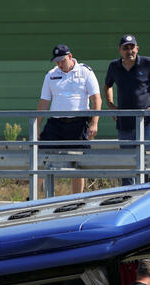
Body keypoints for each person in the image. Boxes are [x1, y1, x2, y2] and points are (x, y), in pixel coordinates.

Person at [103, 34, 150, 185]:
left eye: (132, 47)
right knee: (127, 163)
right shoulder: (114, 66)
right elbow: (108, 85)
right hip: (125, 122)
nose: (129, 51)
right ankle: (128, 196)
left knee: (149, 160)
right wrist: (110, 104)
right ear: (120, 50)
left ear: (137, 48)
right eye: (125, 48)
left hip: (147, 121)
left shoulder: (147, 63)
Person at [36, 43, 101, 194]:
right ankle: (34, 197)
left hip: (77, 123)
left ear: (70, 57)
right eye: (56, 61)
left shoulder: (85, 72)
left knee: (77, 163)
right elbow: (43, 102)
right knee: (41, 158)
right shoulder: (51, 75)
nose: (59, 64)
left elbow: (96, 99)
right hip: (55, 123)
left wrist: (94, 122)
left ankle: (76, 198)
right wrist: (37, 127)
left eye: (62, 60)